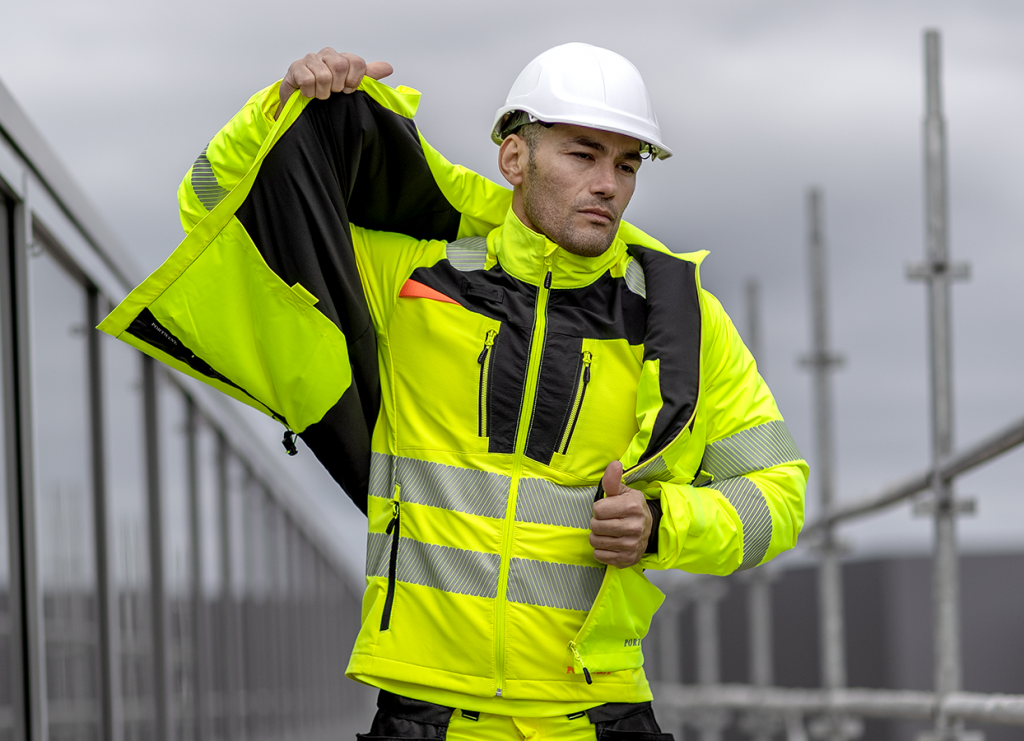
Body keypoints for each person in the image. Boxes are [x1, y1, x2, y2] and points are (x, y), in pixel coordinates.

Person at [101, 43, 807, 740]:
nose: (608, 184)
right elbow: (214, 205)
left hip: (597, 711)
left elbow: (779, 494)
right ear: (514, 159)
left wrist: (665, 522)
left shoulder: (681, 319)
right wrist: (280, 111)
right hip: (426, 710)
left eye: (626, 164)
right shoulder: (410, 279)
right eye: (582, 154)